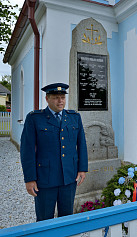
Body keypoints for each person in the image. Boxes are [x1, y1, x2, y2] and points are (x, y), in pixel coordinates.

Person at [20, 83, 88, 222]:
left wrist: (82, 169)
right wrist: (30, 179)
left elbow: (81, 144)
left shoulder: (74, 117)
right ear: (47, 99)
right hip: (45, 179)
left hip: (68, 177)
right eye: (56, 97)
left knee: (66, 219)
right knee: (45, 218)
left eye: (62, 97)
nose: (60, 101)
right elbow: (27, 150)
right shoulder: (35, 118)